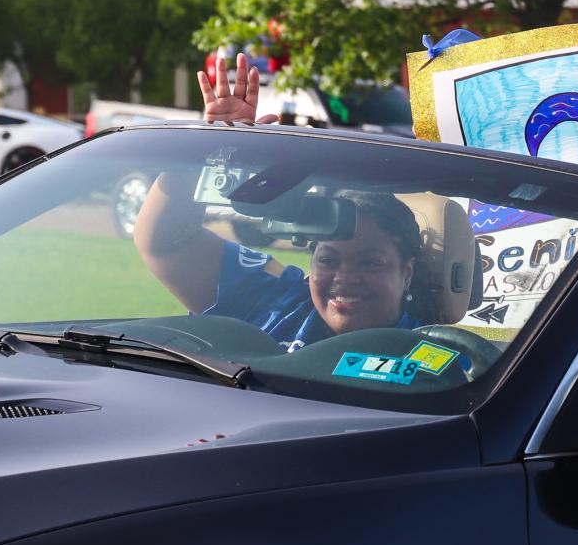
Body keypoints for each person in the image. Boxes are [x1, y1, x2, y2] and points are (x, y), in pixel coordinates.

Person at [130, 53, 430, 351]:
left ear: (407, 272)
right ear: (311, 266)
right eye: (328, 260)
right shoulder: (277, 301)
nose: (345, 277)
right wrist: (212, 150)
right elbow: (165, 242)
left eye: (371, 263)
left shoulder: (436, 362)